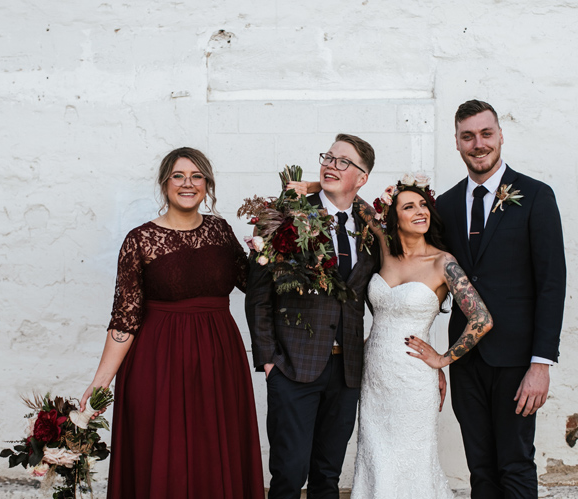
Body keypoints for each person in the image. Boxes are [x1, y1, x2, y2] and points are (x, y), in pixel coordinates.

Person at [287, 176, 492, 498]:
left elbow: (481, 318)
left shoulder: (443, 262)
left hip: (413, 378)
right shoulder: (384, 249)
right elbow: (355, 200)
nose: (420, 211)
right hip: (373, 374)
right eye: (409, 206)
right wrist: (312, 186)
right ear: (394, 217)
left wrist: (442, 359)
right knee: (377, 457)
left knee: (411, 459)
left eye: (424, 204)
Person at [79, 147, 264, 499]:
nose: (187, 184)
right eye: (178, 176)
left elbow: (254, 283)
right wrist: (101, 382)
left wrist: (279, 241)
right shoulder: (140, 240)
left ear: (207, 184)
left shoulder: (221, 232)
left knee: (214, 449)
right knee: (164, 452)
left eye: (196, 176)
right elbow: (125, 317)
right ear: (164, 184)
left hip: (219, 359)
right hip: (157, 361)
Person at [435, 100, 567, 498]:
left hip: (516, 360)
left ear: (500, 136)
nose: (478, 144)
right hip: (465, 359)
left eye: (485, 134)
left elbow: (551, 284)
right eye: (468, 136)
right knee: (481, 469)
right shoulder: (444, 205)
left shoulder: (536, 196)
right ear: (456, 143)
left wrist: (540, 364)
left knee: (515, 463)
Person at [245, 134, 379, 499]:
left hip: (347, 370)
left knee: (328, 475)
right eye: (329, 158)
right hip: (293, 367)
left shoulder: (371, 227)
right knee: (288, 474)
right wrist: (268, 360)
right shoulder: (286, 215)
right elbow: (258, 295)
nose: (331, 165)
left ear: (362, 177)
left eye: (343, 162)